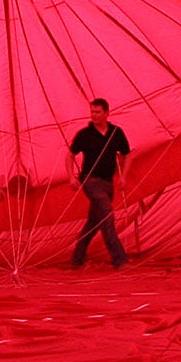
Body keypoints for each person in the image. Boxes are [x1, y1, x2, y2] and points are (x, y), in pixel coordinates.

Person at [68, 97, 132, 268]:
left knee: (94, 222)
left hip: (108, 183)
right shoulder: (84, 134)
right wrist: (71, 177)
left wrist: (123, 176)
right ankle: (120, 259)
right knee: (107, 216)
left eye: (97, 112)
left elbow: (127, 154)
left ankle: (77, 258)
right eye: (92, 112)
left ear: (106, 113)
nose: (94, 115)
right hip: (90, 181)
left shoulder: (116, 132)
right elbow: (70, 155)